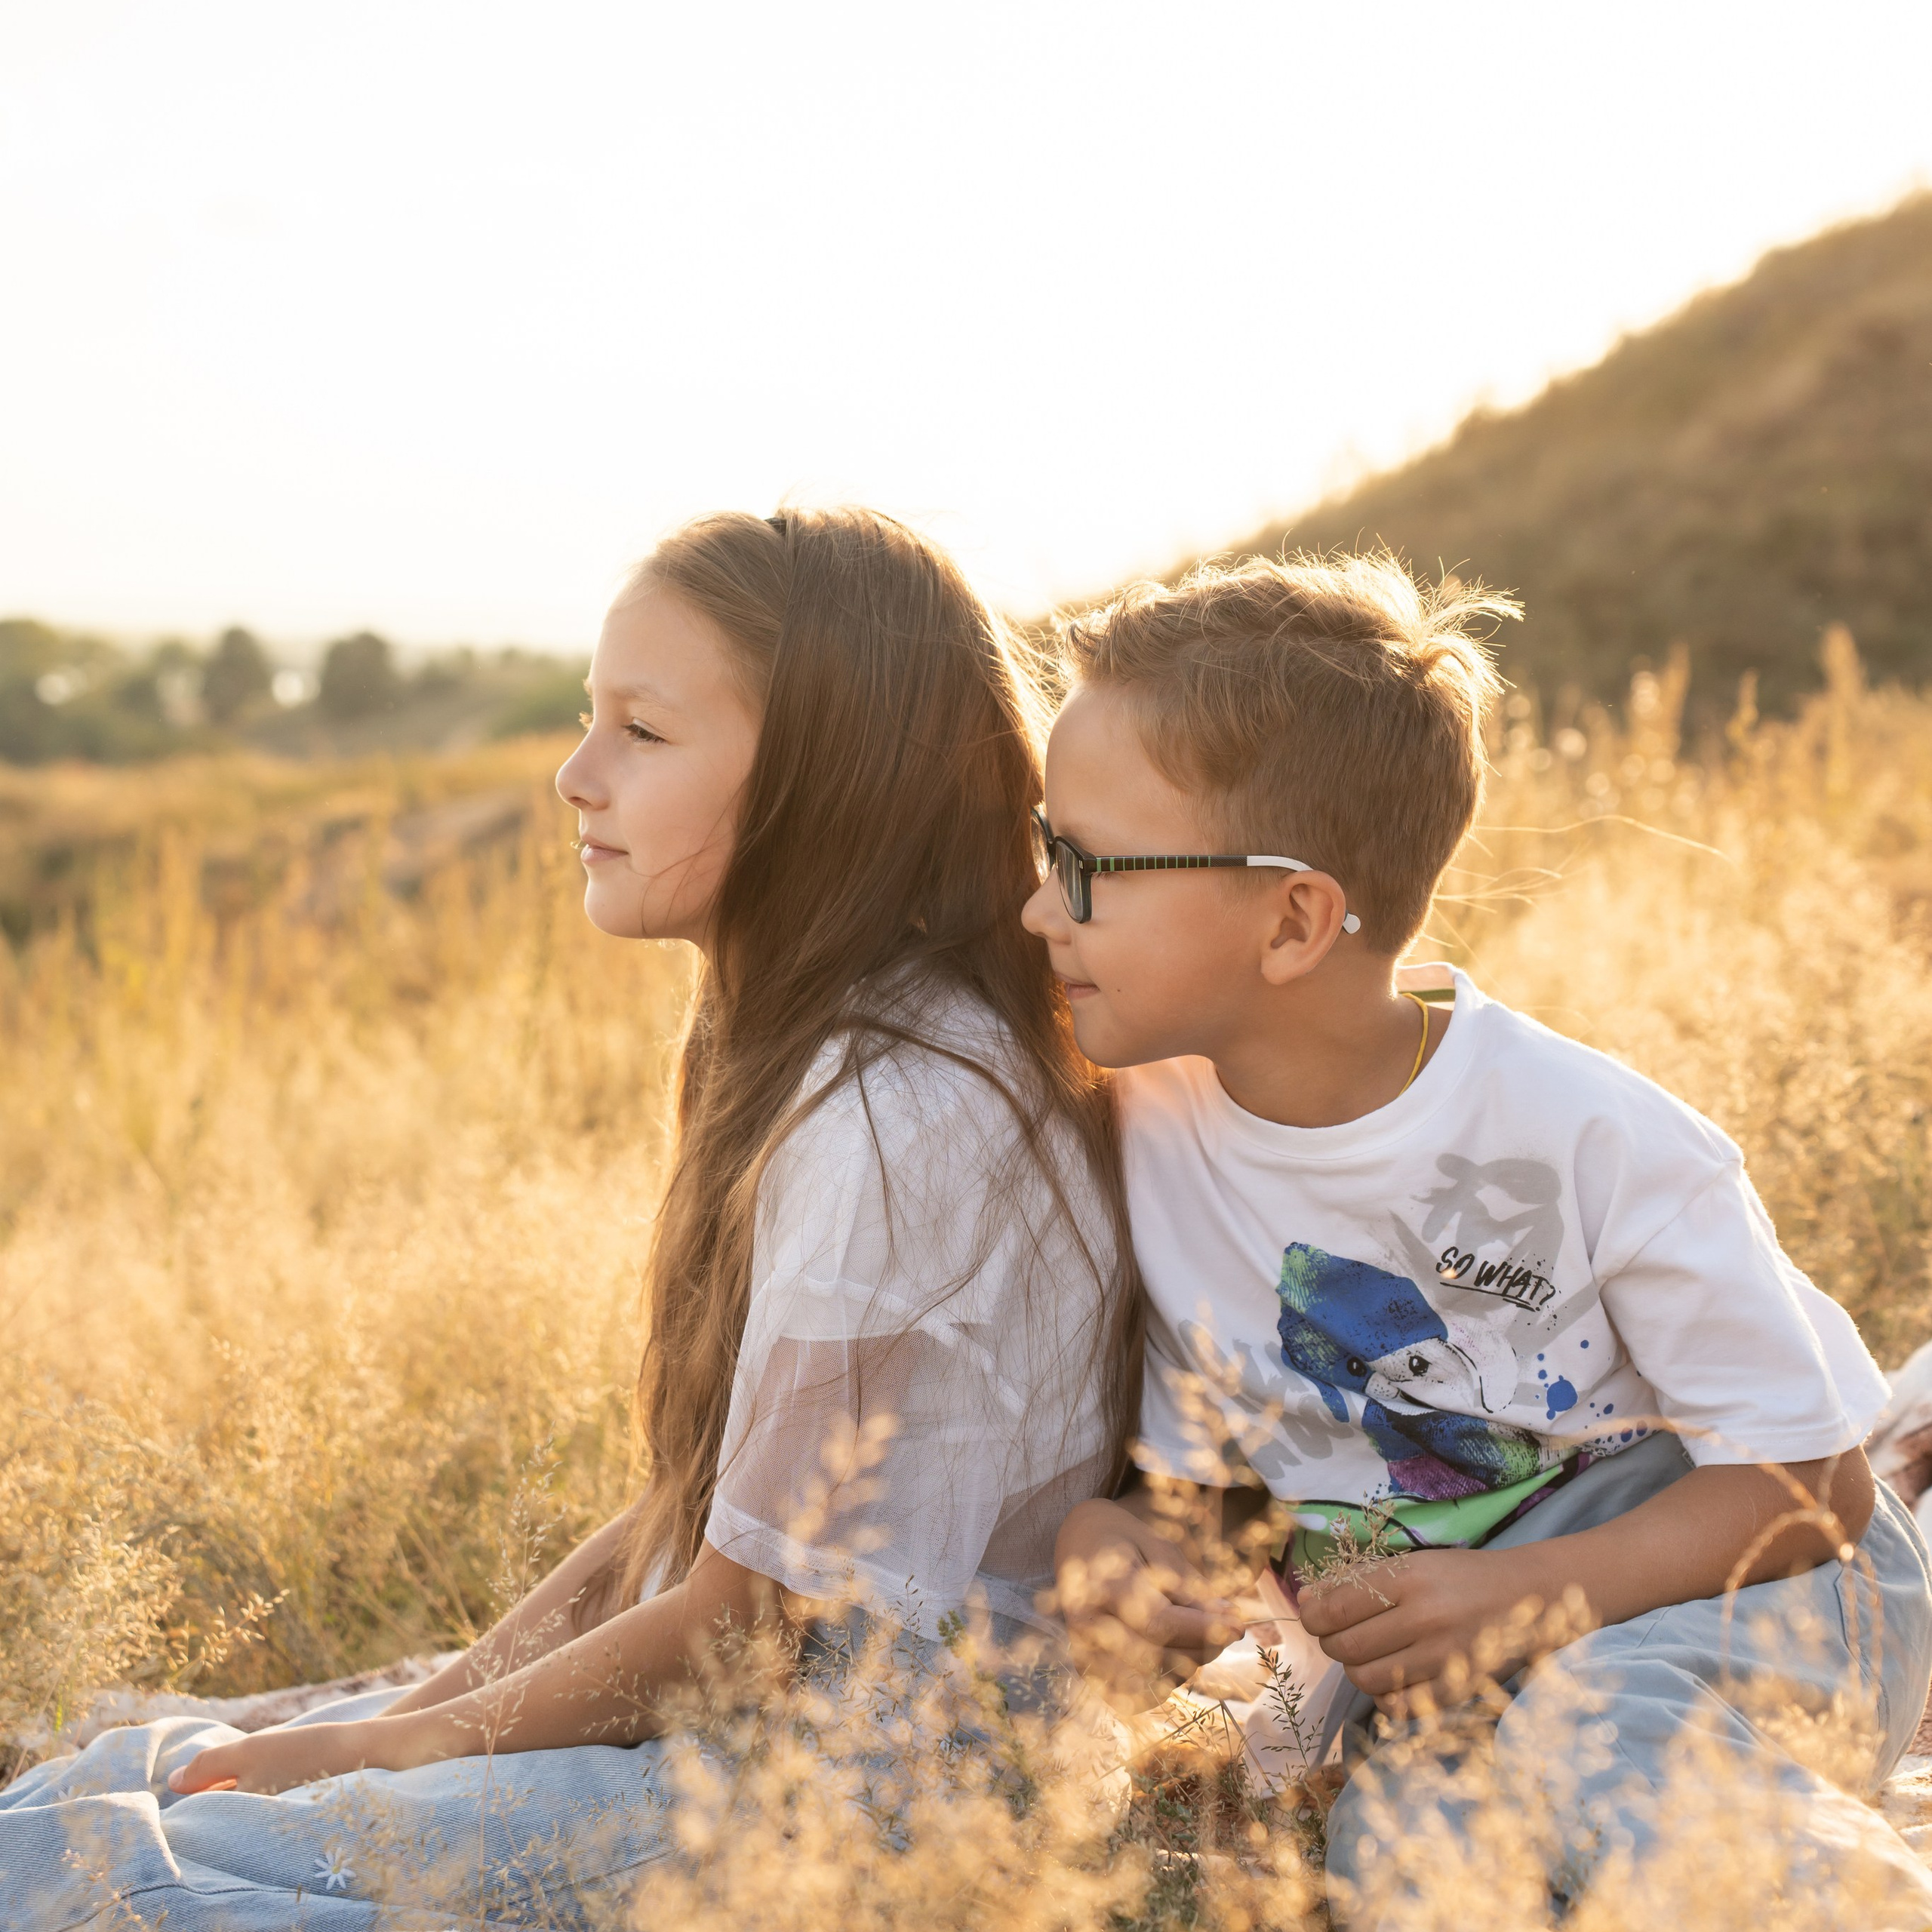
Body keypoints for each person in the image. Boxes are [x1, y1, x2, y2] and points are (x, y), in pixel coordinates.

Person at [0, 508, 1140, 1928]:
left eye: (644, 734)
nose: (575, 775)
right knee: (107, 1779)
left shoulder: (898, 1117)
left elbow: (755, 1625)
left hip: (846, 1793)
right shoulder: (813, 1049)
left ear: (828, 782)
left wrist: (380, 1753)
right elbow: (702, 1528)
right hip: (739, 1726)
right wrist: (421, 1709)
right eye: (586, 718)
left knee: (72, 1874)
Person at [1033, 551, 1932, 1918]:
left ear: (1295, 920)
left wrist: (1529, 1596)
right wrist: (1121, 1543)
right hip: (1461, 1641)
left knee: (1605, 1736)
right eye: (1044, 853)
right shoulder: (1148, 1128)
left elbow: (1815, 1488)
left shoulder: (1589, 1139)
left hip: (1771, 1576)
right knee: (1411, 1860)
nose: (1042, 908)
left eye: (1088, 867)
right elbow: (1237, 1488)